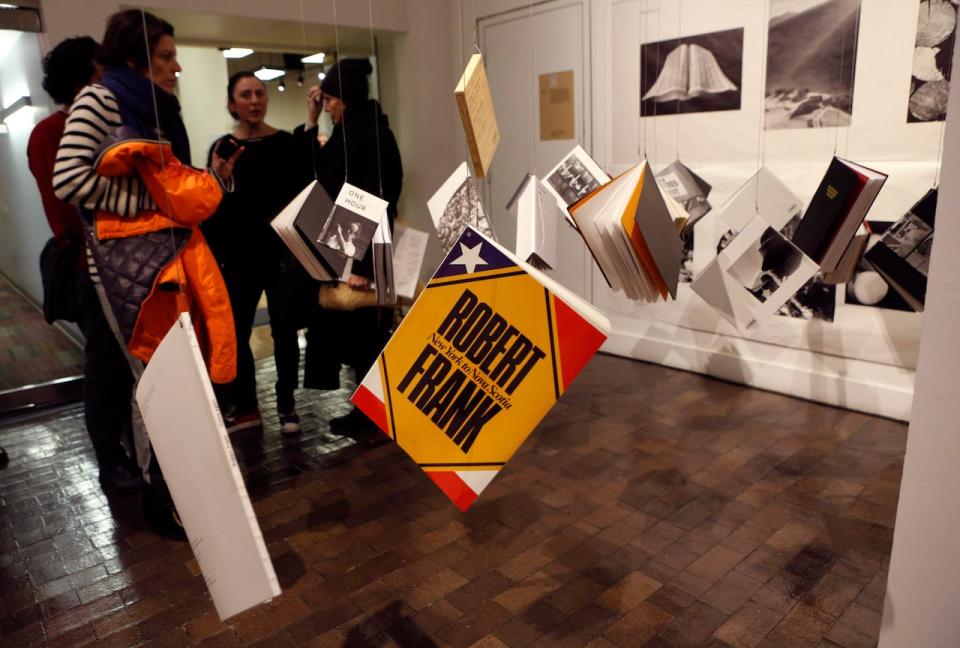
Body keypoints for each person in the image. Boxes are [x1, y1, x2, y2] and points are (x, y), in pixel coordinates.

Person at [52, 10, 239, 539]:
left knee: (180, 376)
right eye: (165, 56)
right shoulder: (100, 98)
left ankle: (177, 490)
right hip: (122, 269)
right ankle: (164, 499)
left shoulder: (156, 107)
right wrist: (145, 199)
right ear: (135, 58)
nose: (176, 67)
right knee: (155, 382)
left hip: (165, 259)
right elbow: (67, 179)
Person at [28, 36, 141, 494]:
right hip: (90, 266)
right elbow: (66, 209)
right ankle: (110, 462)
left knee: (120, 367)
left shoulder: (87, 127)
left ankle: (129, 453)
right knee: (104, 370)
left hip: (117, 265)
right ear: (85, 76)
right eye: (101, 70)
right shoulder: (52, 132)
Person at [201, 71, 315, 435]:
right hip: (238, 257)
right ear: (232, 104)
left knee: (284, 330)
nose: (254, 101)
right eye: (245, 95)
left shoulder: (284, 143)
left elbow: (305, 194)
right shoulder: (222, 147)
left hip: (281, 255)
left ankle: (287, 405)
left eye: (259, 94)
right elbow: (213, 203)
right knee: (237, 331)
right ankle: (247, 405)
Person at [300, 58, 403, 434]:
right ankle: (368, 412)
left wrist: (361, 267)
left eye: (329, 99)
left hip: (366, 251)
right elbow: (319, 174)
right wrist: (312, 122)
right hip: (352, 246)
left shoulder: (371, 133)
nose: (326, 106)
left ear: (345, 98)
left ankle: (373, 416)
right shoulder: (351, 130)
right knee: (359, 338)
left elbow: (380, 196)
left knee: (368, 338)